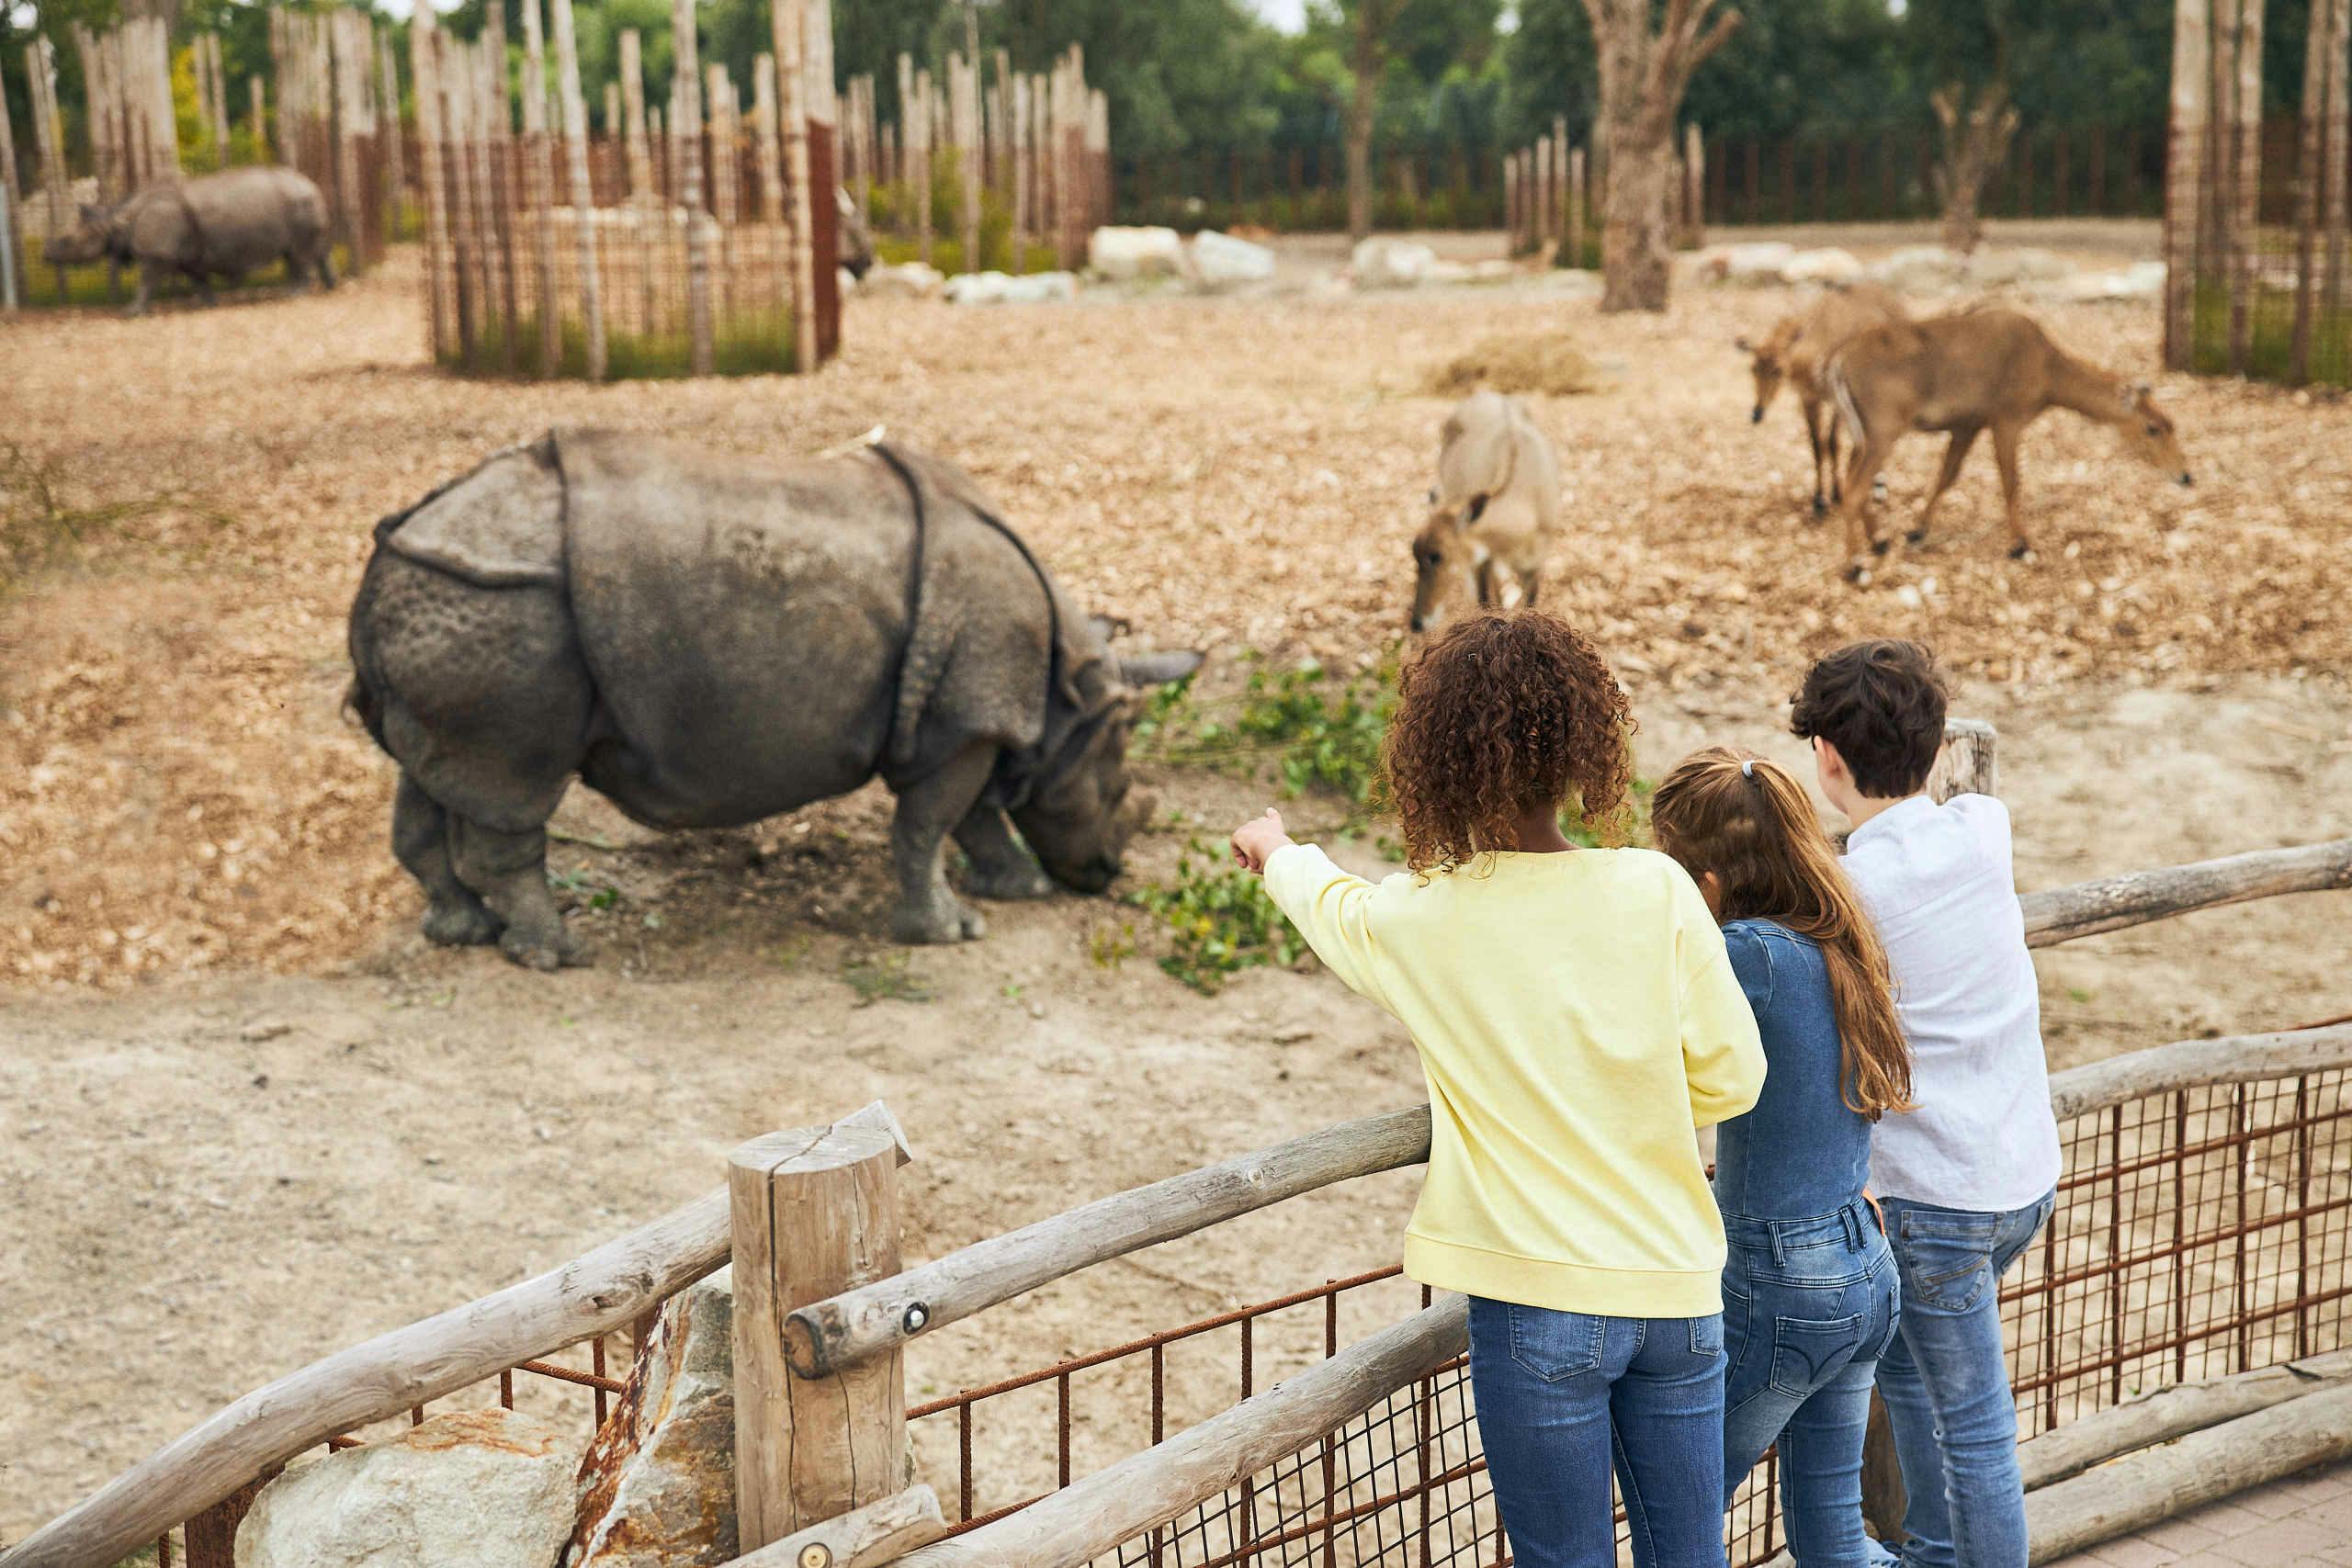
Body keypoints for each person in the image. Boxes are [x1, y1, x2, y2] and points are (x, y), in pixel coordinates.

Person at [1227, 611, 1768, 1568]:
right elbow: (1733, 1077)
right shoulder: (1653, 888)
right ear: (1580, 751)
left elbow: (1335, 906)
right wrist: (1625, 1089)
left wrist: (1277, 850)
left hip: (1535, 1305)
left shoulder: (1424, 916)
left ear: (1438, 761)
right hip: (1676, 1285)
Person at [1791, 638, 2060, 1568]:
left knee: (1969, 1432)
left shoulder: (1848, 895)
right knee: (1919, 1396)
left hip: (1930, 1202)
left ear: (1826, 758)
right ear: (1943, 743)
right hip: (2019, 1173)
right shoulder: (1984, 827)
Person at [1650, 747, 1912, 1566]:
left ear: (1709, 885)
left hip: (1784, 1281)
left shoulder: (1749, 955)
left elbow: (1648, 1033)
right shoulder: (1834, 936)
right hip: (1863, 1264)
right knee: (1834, 1539)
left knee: (1678, 1511)